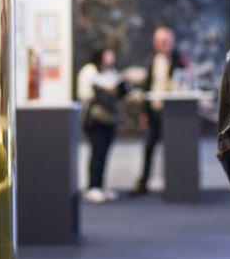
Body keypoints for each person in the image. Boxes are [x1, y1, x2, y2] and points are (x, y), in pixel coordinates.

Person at [133, 26, 187, 195]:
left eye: (166, 41)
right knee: (149, 147)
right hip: (154, 112)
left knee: (172, 149)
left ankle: (172, 184)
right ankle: (143, 183)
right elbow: (146, 88)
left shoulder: (179, 61)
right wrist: (144, 112)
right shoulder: (151, 61)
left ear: (172, 42)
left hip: (172, 113)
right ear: (155, 43)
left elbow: (184, 83)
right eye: (160, 41)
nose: (163, 44)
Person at [76, 45, 130, 203]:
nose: (111, 56)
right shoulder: (89, 71)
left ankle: (100, 186)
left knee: (105, 153)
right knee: (97, 152)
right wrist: (105, 90)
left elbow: (119, 90)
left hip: (110, 119)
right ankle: (93, 187)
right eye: (108, 53)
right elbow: (85, 94)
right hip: (95, 119)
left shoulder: (111, 72)